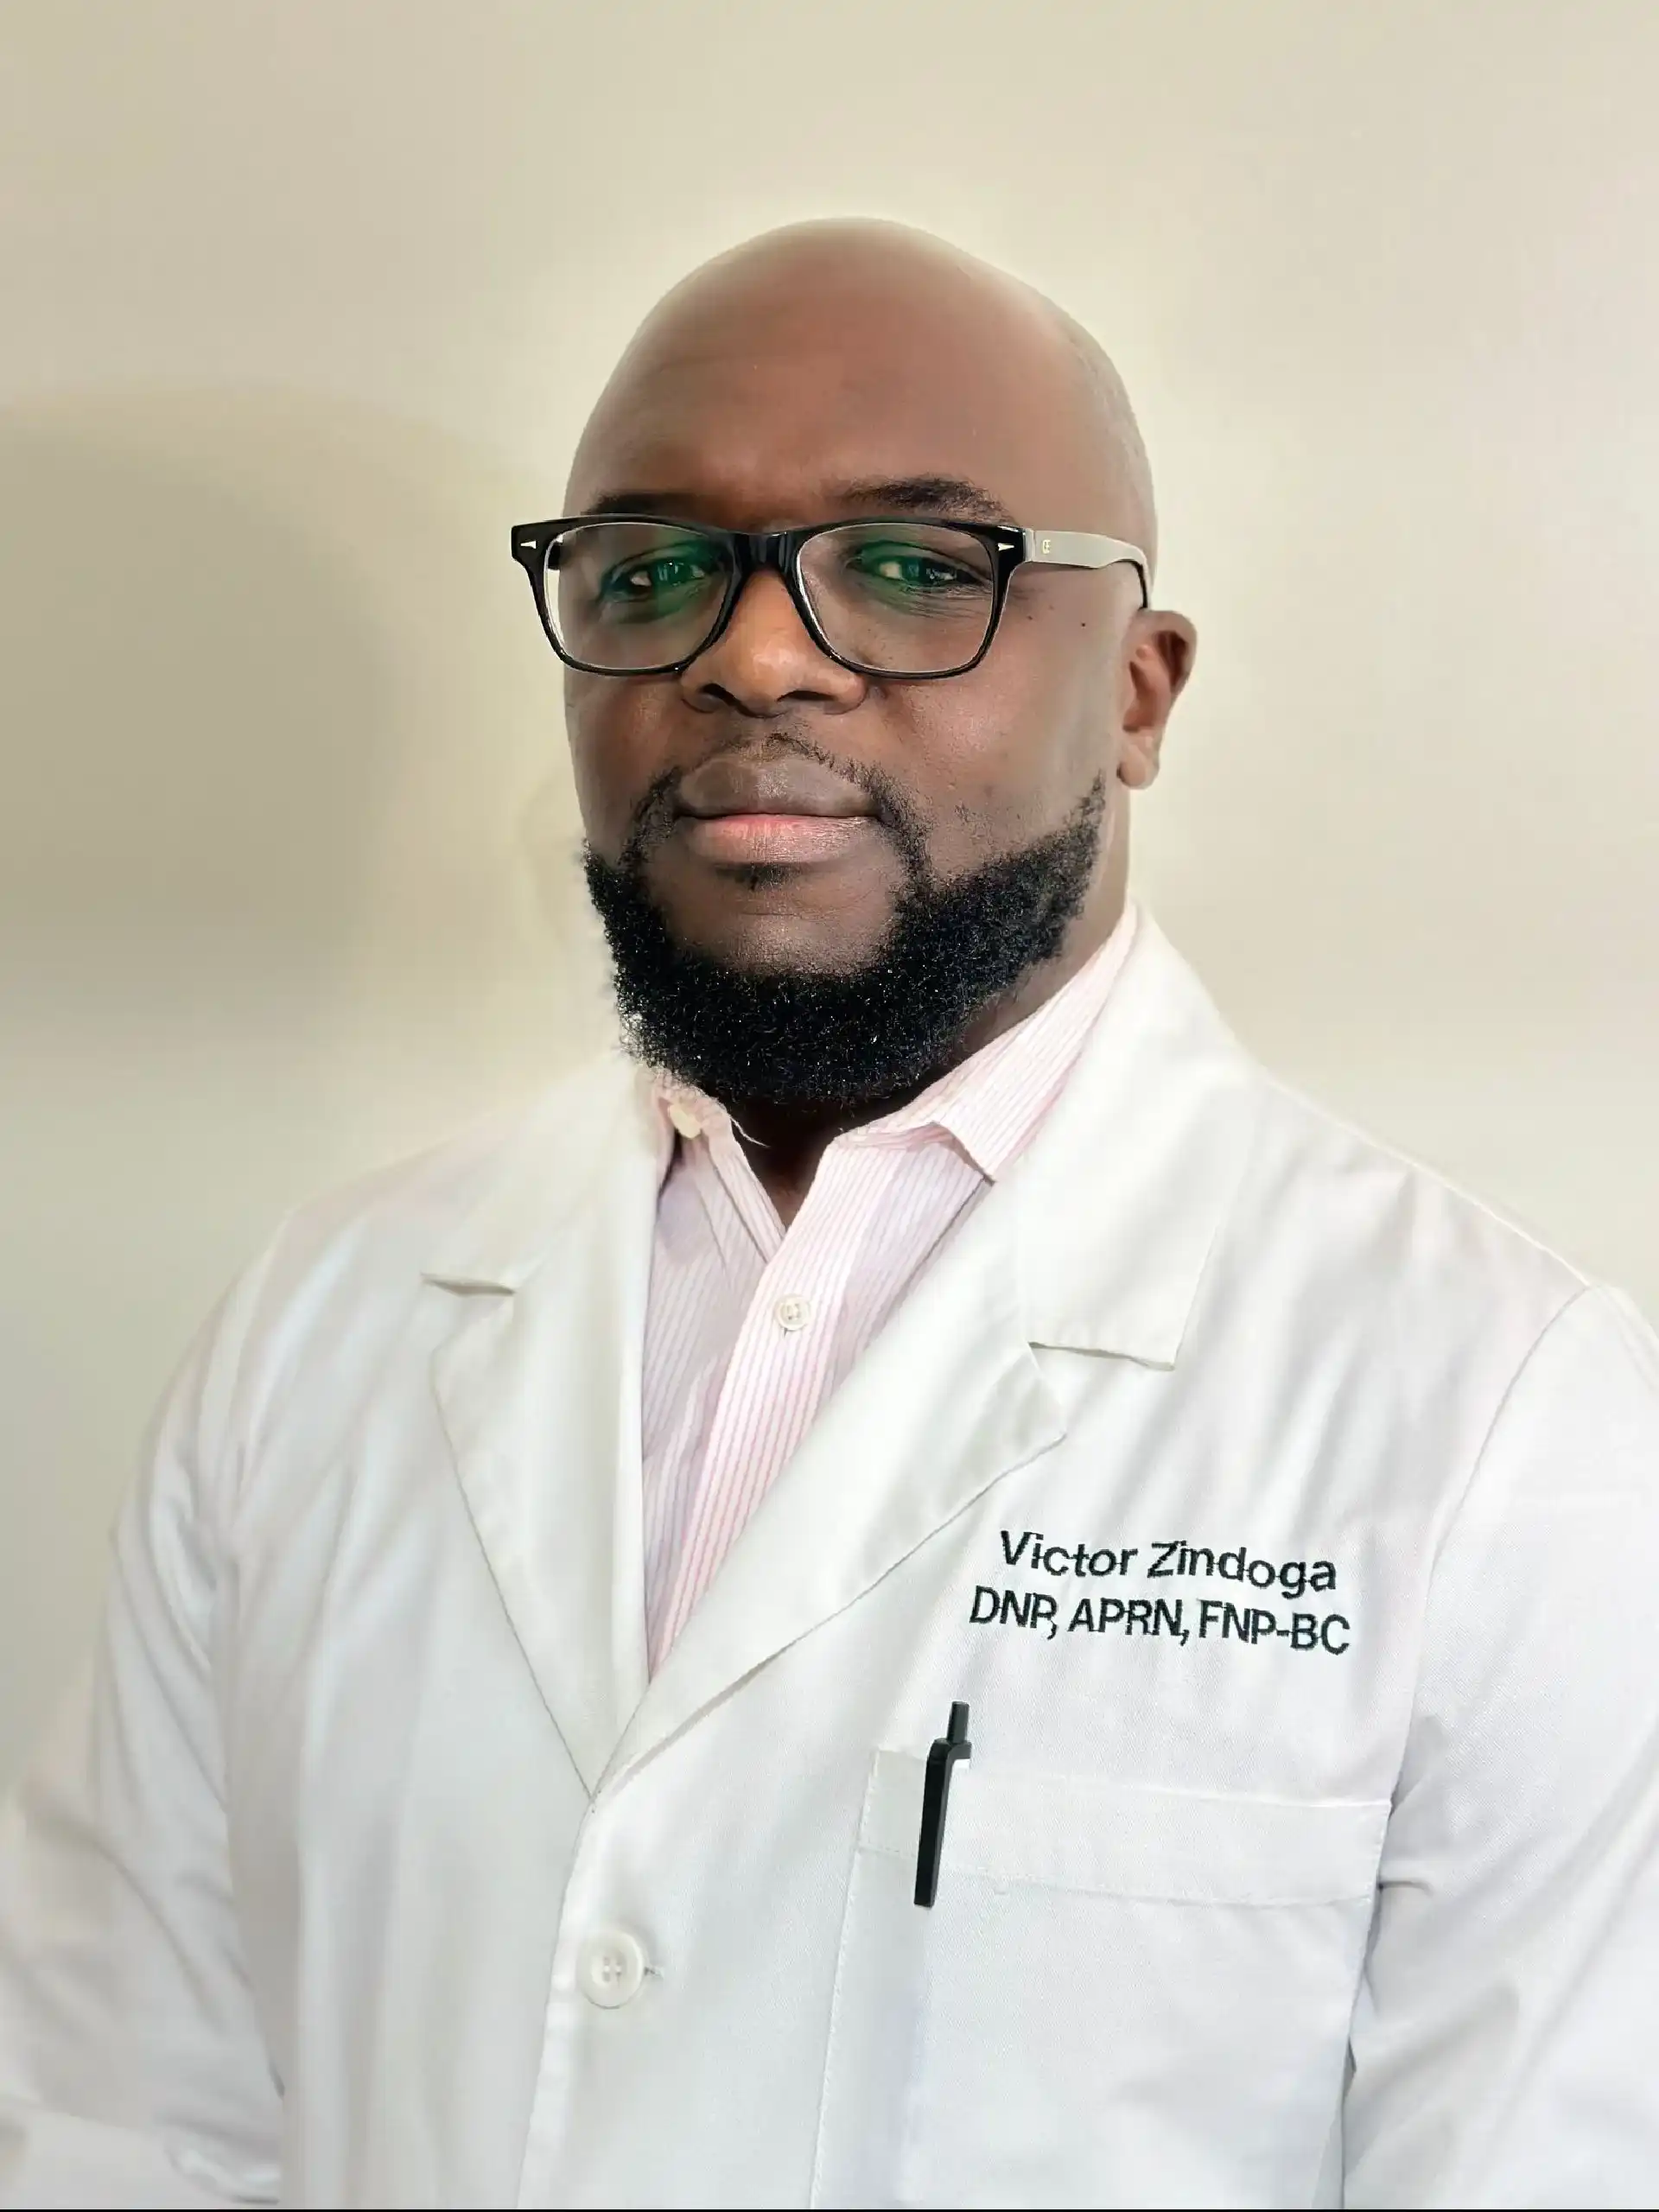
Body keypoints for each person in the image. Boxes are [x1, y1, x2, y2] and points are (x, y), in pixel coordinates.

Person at [3, 219, 1658, 2211]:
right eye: (652, 565)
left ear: (1139, 690)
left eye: (909, 566)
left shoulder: (1506, 1417)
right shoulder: (325, 1320)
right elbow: (125, 2114)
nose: (755, 650)